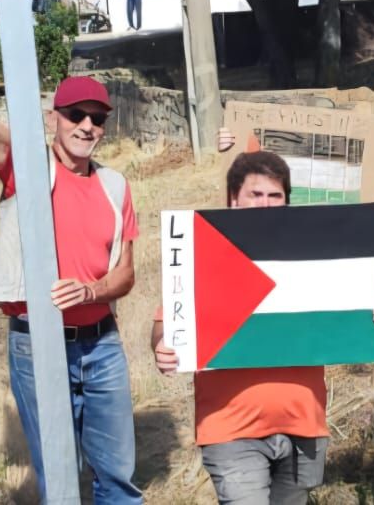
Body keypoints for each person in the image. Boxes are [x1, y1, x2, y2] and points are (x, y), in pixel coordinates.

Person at [0, 22, 143, 504]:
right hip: (38, 345)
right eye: (76, 115)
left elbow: (126, 273)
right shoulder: (28, 170)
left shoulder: (115, 186)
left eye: (97, 119)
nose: (87, 127)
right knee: (59, 477)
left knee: (118, 477)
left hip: (102, 347)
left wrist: (92, 291)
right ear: (54, 116)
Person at [152, 146, 362, 504]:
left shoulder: (313, 255)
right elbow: (164, 323)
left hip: (304, 426)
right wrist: (162, 345)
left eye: (275, 196)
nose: (266, 205)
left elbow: (354, 308)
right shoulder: (204, 252)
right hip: (231, 429)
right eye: (256, 195)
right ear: (233, 199)